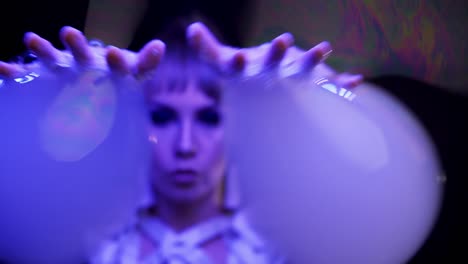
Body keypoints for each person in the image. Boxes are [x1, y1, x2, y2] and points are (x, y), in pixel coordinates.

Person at [0, 18, 363, 263]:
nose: (185, 145)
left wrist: (318, 88)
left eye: (208, 117)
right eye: (163, 117)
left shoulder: (275, 248)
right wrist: (31, 88)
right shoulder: (90, 243)